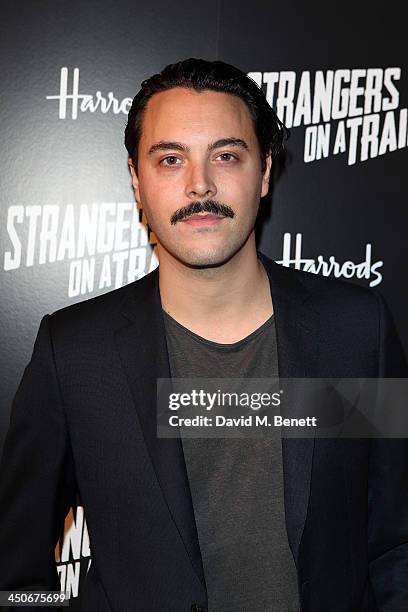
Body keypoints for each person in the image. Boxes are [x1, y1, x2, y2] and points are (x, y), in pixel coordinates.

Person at [0, 58, 407, 612]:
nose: (200, 184)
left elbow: (395, 542)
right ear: (137, 181)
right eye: (170, 159)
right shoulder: (74, 352)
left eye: (226, 156)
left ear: (264, 172)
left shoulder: (353, 329)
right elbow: (14, 566)